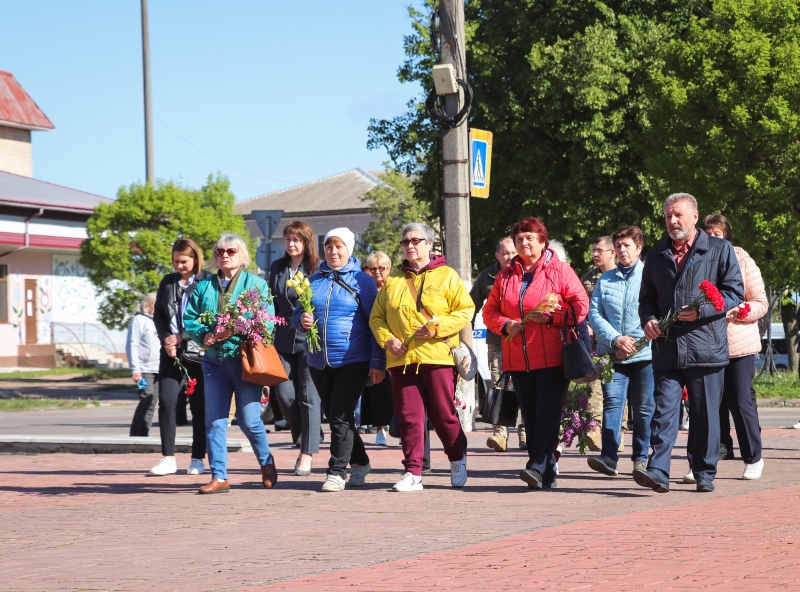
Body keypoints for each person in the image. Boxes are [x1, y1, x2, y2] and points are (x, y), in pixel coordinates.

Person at [635, 193, 744, 494]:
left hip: (705, 347)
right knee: (665, 411)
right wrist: (648, 320)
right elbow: (646, 300)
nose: (672, 221)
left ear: (695, 216)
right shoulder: (656, 256)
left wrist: (704, 310)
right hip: (667, 348)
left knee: (705, 415)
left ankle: (704, 471)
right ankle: (658, 470)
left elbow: (735, 292)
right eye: (668, 216)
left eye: (678, 215)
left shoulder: (719, 249)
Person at [483, 217, 589, 490]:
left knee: (548, 413)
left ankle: (536, 465)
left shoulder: (560, 270)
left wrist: (554, 318)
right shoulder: (505, 275)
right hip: (517, 357)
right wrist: (505, 325)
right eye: (519, 239)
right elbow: (489, 311)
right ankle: (544, 471)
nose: (524, 243)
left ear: (543, 241)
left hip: (553, 357)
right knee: (529, 416)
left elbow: (580, 305)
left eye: (530, 237)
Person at [370, 222, 474, 492]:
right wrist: (388, 339)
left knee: (443, 414)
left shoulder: (447, 275)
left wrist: (437, 327)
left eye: (416, 241)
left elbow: (465, 311)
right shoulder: (392, 280)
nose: (410, 246)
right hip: (402, 359)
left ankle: (456, 456)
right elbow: (377, 317)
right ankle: (413, 471)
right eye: (406, 242)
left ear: (429, 244)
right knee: (408, 416)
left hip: (438, 356)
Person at [293, 228, 386, 493]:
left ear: (349, 249)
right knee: (336, 415)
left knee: (340, 417)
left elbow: (374, 323)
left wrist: (377, 361)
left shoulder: (362, 281)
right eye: (329, 247)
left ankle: (336, 472)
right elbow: (297, 315)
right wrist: (301, 320)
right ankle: (361, 462)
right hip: (318, 359)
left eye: (339, 247)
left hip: (353, 357)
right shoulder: (312, 281)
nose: (334, 252)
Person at [184, 234, 278, 494]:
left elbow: (267, 322)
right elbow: (190, 317)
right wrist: (204, 333)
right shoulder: (204, 286)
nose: (225, 255)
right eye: (220, 251)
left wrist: (240, 329)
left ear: (241, 255)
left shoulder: (256, 284)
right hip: (213, 362)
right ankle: (219, 476)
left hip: (245, 361)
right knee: (214, 420)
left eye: (231, 251)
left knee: (249, 420)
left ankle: (266, 461)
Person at [701, 214, 768, 480]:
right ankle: (708, 459)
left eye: (717, 233)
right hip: (706, 343)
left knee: (740, 400)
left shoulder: (741, 258)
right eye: (708, 234)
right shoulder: (699, 259)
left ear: (727, 235)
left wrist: (742, 310)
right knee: (706, 403)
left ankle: (753, 457)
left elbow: (760, 302)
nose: (712, 238)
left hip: (739, 342)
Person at [586, 226, 654, 477]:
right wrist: (616, 340)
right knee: (613, 404)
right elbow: (595, 314)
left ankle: (640, 459)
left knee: (644, 407)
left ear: (638, 248)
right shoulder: (605, 280)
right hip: (614, 354)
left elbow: (655, 314)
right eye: (619, 246)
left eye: (628, 245)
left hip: (644, 355)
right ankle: (609, 457)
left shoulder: (650, 276)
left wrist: (633, 342)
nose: (623, 250)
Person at [150, 239, 212, 476]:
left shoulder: (208, 280)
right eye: (176, 261)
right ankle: (168, 457)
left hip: (198, 351)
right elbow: (158, 314)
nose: (179, 266)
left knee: (199, 406)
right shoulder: (168, 281)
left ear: (195, 258)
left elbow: (208, 316)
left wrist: (181, 336)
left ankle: (197, 458)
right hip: (171, 351)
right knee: (166, 401)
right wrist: (167, 338)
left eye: (184, 261)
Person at [269, 221, 323, 477]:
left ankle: (307, 454)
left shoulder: (317, 268)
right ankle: (309, 433)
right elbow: (272, 302)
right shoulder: (277, 267)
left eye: (296, 240)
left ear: (306, 242)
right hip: (281, 340)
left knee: (308, 397)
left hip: (309, 340)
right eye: (288, 239)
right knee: (284, 395)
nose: (291, 244)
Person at [470, 236, 524, 452]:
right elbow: (470, 306)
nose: (510, 257)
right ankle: (500, 434)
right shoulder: (487, 276)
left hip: (524, 341)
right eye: (505, 253)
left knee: (523, 387)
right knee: (499, 386)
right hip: (497, 341)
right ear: (497, 255)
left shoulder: (526, 272)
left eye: (513, 252)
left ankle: (525, 432)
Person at [580, 236, 617, 452]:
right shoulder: (586, 279)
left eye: (599, 250)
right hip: (593, 343)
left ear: (612, 252)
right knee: (593, 385)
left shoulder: (622, 275)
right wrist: (586, 325)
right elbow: (580, 307)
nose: (595, 254)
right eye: (593, 250)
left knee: (614, 388)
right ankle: (594, 430)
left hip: (616, 342)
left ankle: (616, 433)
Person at [361, 251, 395, 446]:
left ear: (389, 269)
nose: (377, 272)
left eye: (381, 268)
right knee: (376, 387)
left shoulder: (395, 287)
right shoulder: (367, 288)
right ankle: (380, 428)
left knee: (396, 388)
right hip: (373, 343)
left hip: (395, 343)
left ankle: (398, 426)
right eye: (373, 268)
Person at [128, 294, 160, 438]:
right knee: (146, 396)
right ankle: (135, 433)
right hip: (143, 369)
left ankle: (144, 433)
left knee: (153, 401)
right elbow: (132, 344)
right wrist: (135, 369)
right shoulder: (138, 320)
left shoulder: (159, 321)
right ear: (149, 305)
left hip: (159, 368)